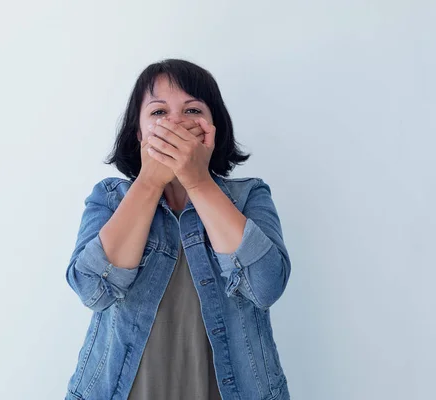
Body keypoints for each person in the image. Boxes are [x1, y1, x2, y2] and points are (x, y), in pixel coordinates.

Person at [64, 59, 291, 400]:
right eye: (158, 113)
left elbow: (265, 286)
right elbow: (93, 290)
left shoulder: (249, 196)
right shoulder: (109, 199)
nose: (175, 123)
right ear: (139, 133)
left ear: (213, 129)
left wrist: (197, 181)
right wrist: (150, 181)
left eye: (192, 110)